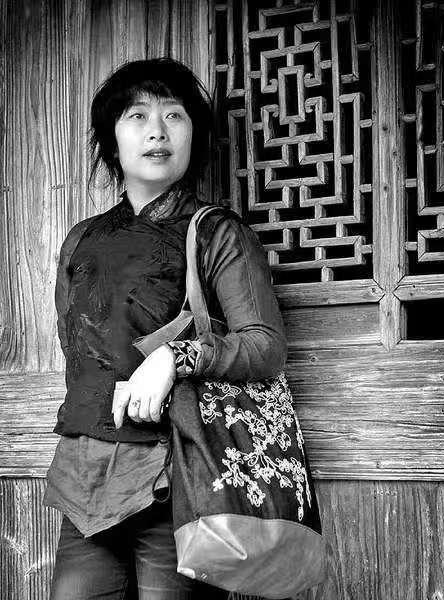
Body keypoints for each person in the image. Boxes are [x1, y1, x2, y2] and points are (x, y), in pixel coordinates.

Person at [44, 57, 288, 600]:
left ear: (193, 137)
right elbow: (76, 351)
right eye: (137, 116)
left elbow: (265, 346)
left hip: (180, 482)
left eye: (174, 115)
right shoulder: (81, 239)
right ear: (112, 140)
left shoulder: (217, 233)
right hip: (85, 480)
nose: (157, 130)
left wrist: (174, 359)